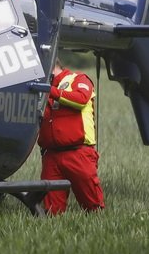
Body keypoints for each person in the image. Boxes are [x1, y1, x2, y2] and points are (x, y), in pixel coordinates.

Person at [37, 59, 104, 214]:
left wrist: (49, 91)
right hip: (51, 156)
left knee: (93, 207)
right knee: (51, 212)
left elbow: (81, 99)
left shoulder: (78, 79)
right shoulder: (41, 89)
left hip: (78, 153)